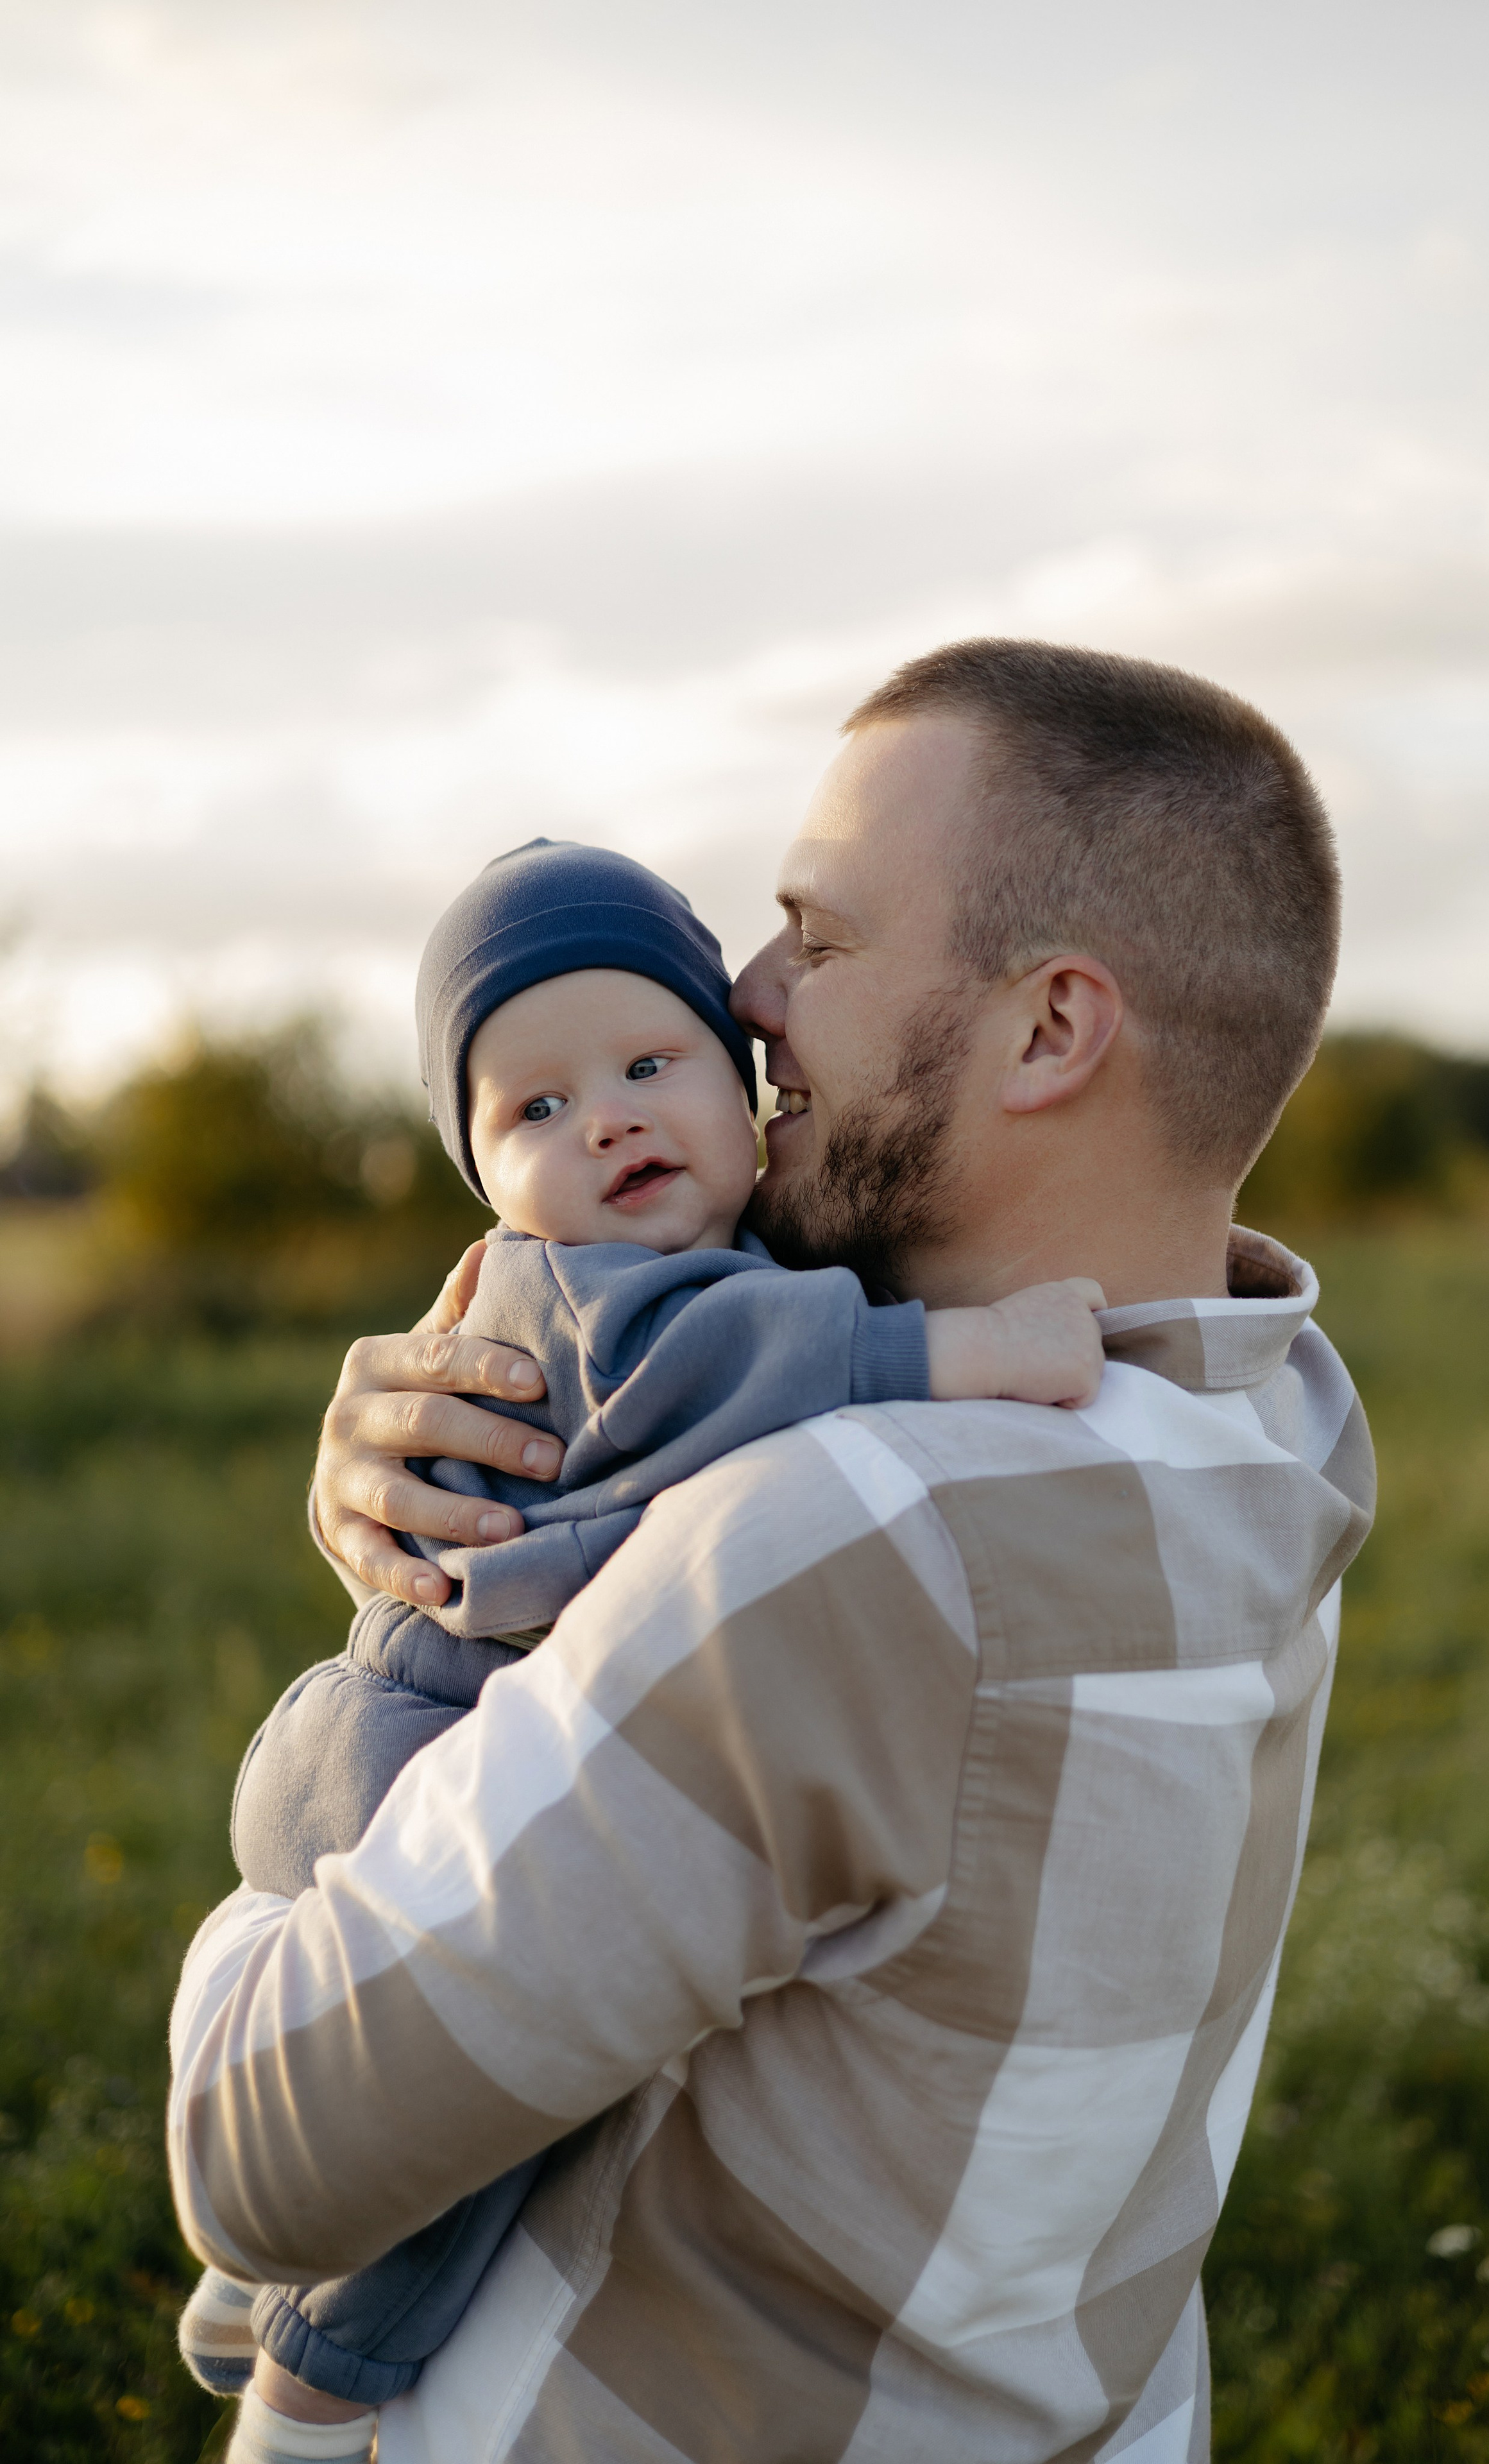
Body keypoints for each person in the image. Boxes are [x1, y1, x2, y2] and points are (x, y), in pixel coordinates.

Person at [170, 638, 1375, 2464]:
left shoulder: (847, 1544)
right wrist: (516, 1451)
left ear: (1049, 1029)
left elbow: (253, 2157)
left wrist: (382, 1652)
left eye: (820, 935)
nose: (747, 986)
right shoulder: (1277, 1417)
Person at [178, 835, 1105, 2460]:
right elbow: (716, 1370)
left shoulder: (729, 1258)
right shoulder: (589, 1301)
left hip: (418, 1717)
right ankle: (311, 2386)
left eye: (647, 1063)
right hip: (411, 1743)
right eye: (531, 1110)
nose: (601, 1116)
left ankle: (268, 2288)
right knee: (485, 2112)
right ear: (479, 1187)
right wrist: (968, 1347)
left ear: (747, 1100)